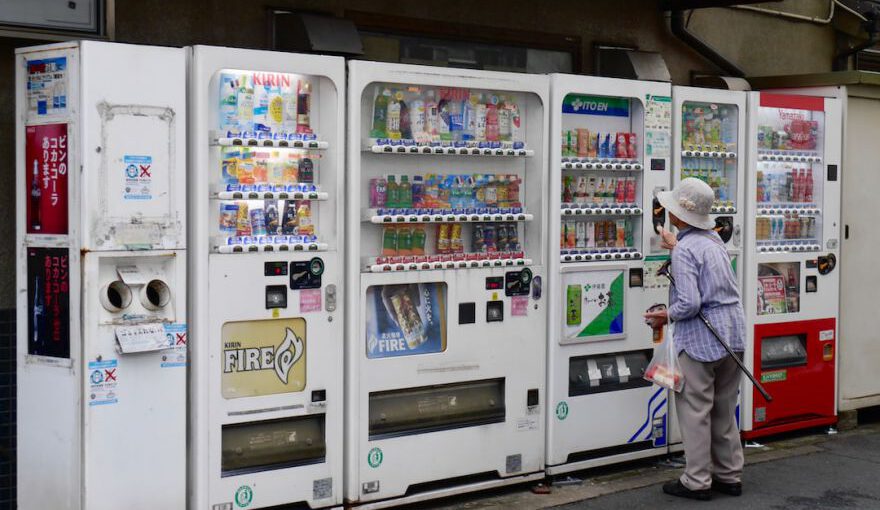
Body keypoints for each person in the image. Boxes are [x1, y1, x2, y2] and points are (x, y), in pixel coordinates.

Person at [643, 178, 746, 501]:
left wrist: (664, 315)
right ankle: (729, 476)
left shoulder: (685, 250)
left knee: (695, 411)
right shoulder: (713, 241)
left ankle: (697, 479)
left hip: (701, 340)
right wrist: (676, 247)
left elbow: (689, 303)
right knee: (724, 409)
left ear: (677, 215)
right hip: (732, 335)